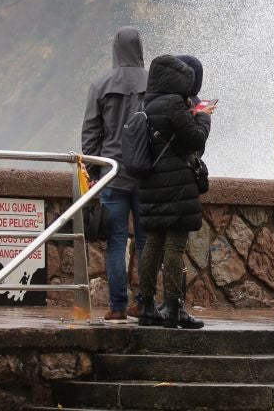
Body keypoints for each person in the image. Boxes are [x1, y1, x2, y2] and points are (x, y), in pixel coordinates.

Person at [136, 55, 214, 329]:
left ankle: (145, 304)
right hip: (176, 186)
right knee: (174, 246)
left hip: (150, 183)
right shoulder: (173, 104)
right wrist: (204, 116)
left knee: (153, 244)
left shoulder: (145, 102)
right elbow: (195, 139)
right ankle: (173, 307)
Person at [81, 27, 149, 323]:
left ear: (115, 49)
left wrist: (96, 173)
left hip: (113, 174)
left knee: (116, 242)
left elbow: (90, 134)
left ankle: (118, 306)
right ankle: (146, 304)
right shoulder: (154, 82)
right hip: (146, 176)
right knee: (148, 242)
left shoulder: (100, 84)